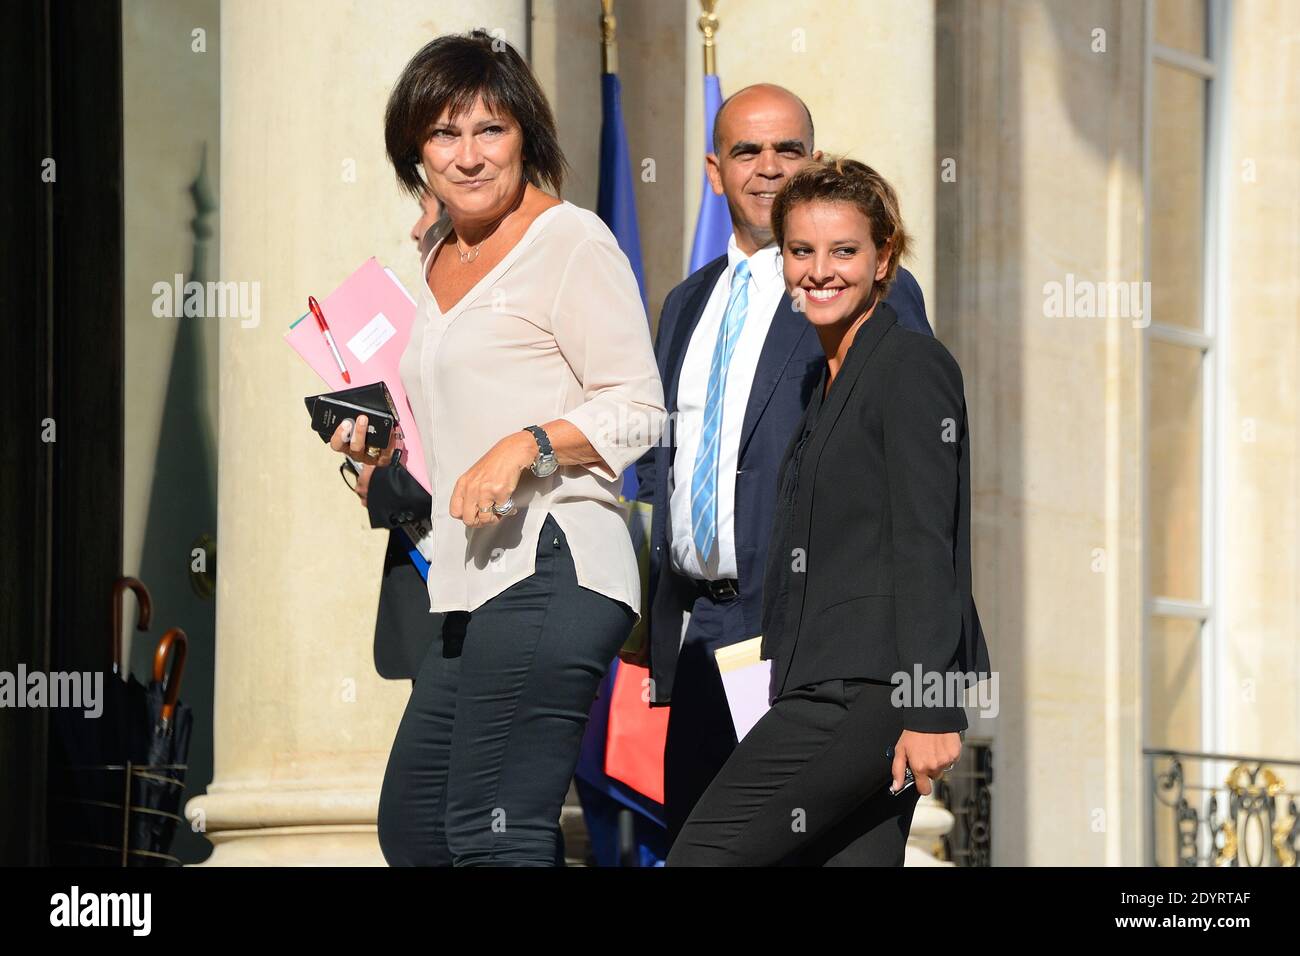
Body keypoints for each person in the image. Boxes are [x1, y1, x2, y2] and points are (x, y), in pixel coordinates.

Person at [345, 29, 665, 866]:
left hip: (555, 564)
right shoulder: (437, 255)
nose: (469, 155)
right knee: (416, 831)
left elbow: (638, 410)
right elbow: (448, 418)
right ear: (415, 150)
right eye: (444, 134)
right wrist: (379, 464)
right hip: (463, 582)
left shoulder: (572, 243)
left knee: (495, 831)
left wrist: (528, 446)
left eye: (491, 130)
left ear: (527, 134)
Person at [632, 83, 933, 845]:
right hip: (702, 635)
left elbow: (922, 499)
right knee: (694, 838)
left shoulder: (859, 290)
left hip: (808, 640)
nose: (767, 167)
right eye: (746, 151)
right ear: (714, 170)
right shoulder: (683, 304)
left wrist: (933, 695)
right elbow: (661, 466)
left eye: (787, 149)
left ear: (814, 160)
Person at [667, 157, 991, 866]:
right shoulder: (824, 379)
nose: (820, 270)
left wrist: (931, 707)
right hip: (821, 681)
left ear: (885, 260)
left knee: (702, 855)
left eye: (844, 250)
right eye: (801, 251)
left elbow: (928, 542)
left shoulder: (909, 364)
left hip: (867, 690)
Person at [334, 188, 447, 684]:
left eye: (425, 211)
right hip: (428, 601)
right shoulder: (425, 317)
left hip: (480, 600)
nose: (415, 229)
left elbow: (450, 466)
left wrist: (380, 485)